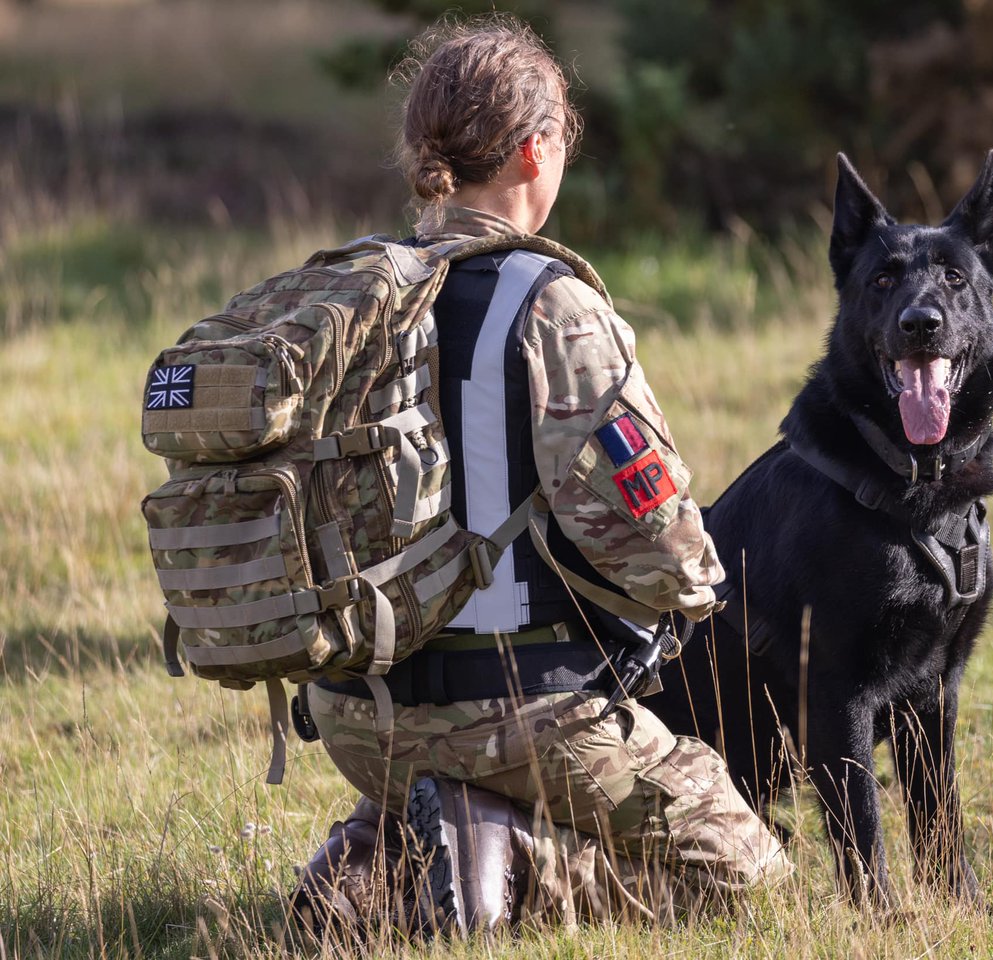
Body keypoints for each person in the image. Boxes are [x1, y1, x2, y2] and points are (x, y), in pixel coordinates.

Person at [291, 14, 789, 938]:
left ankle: (376, 865)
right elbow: (654, 538)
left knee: (450, 776)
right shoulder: (548, 304)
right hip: (524, 708)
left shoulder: (350, 297)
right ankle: (509, 855)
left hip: (359, 716)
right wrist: (700, 597)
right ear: (534, 150)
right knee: (747, 875)